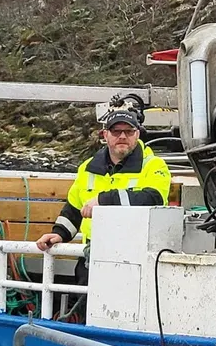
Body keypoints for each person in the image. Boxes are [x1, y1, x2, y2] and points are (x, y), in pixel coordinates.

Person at [35, 106, 172, 285]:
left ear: (137, 134)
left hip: (136, 258)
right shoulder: (87, 168)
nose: (122, 136)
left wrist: (104, 200)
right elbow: (74, 208)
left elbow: (152, 198)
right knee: (87, 309)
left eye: (128, 131)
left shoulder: (154, 166)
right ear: (105, 135)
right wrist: (59, 234)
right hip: (92, 259)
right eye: (116, 131)